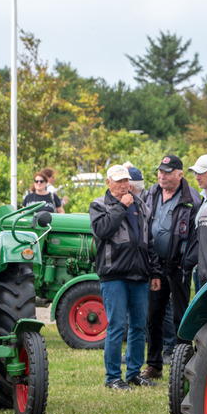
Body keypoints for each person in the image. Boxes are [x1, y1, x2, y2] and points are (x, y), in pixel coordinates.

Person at [90, 164, 161, 390]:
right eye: (118, 181)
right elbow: (102, 231)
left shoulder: (141, 205)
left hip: (139, 274)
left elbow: (149, 242)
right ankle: (112, 377)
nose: (123, 185)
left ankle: (133, 373)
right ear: (109, 182)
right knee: (117, 327)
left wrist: (155, 271)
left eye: (126, 181)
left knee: (139, 326)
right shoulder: (99, 205)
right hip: (113, 275)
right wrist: (121, 206)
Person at [140, 154, 200, 381]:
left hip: (179, 266)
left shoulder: (192, 199)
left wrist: (186, 263)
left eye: (167, 172)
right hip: (155, 266)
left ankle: (184, 364)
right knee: (153, 316)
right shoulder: (150, 193)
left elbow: (196, 236)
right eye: (160, 171)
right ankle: (154, 365)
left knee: (181, 316)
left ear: (179, 174)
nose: (162, 176)